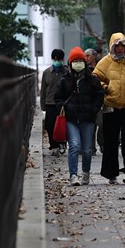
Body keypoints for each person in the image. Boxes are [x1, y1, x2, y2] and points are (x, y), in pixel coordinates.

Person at [93, 33, 125, 185]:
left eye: (123, 46)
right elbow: (95, 78)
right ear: (112, 47)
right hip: (111, 106)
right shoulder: (105, 62)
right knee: (110, 140)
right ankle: (111, 173)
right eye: (117, 46)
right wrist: (105, 87)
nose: (120, 49)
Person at [55, 47, 104, 186]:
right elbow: (57, 97)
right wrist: (62, 107)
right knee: (74, 146)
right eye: (75, 61)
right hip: (71, 119)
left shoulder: (92, 80)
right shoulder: (65, 80)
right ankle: (73, 175)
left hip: (87, 119)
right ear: (70, 63)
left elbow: (99, 95)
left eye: (80, 61)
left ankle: (86, 173)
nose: (78, 63)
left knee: (87, 150)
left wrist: (93, 109)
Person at [40, 49, 68, 156]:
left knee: (62, 125)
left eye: (59, 58)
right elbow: (43, 90)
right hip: (50, 103)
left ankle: (62, 143)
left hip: (63, 103)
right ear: (53, 58)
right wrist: (43, 105)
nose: (57, 60)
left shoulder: (66, 72)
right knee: (50, 125)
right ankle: (53, 145)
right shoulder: (47, 73)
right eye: (55, 58)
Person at [84, 48, 104, 156]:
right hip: (88, 101)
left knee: (101, 124)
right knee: (90, 125)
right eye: (85, 56)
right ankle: (91, 147)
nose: (86, 58)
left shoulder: (101, 68)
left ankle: (102, 143)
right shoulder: (84, 69)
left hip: (100, 101)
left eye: (88, 56)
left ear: (94, 56)